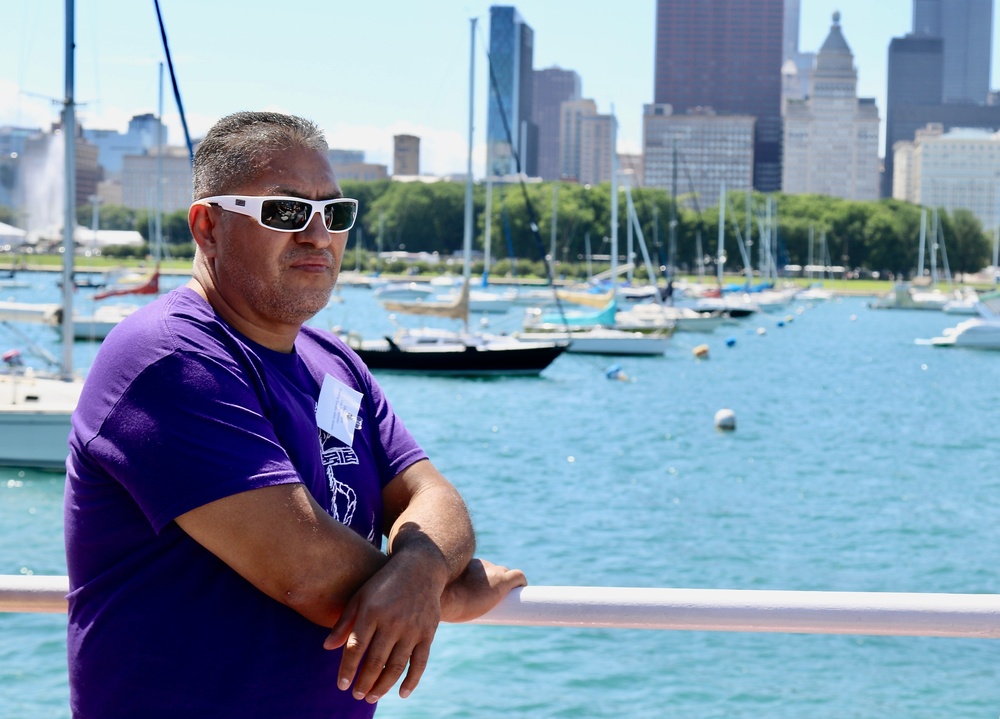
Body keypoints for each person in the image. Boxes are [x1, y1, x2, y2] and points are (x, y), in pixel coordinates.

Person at [64, 111, 527, 719]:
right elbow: (304, 570)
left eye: (335, 214)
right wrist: (453, 593)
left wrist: (422, 567)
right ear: (208, 226)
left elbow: (433, 497)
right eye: (285, 213)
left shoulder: (333, 360)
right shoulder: (167, 357)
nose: (318, 234)